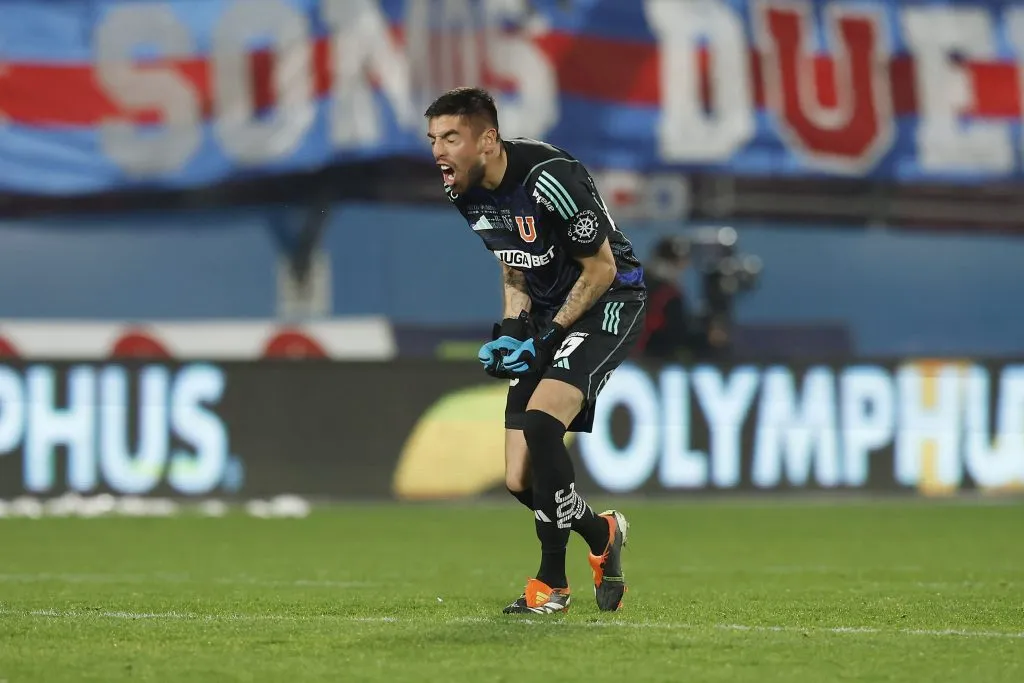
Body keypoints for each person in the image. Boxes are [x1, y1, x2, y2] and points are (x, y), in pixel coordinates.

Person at [425, 87, 647, 615]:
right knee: (519, 478)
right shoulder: (465, 190)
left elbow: (601, 270)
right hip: (549, 313)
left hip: (609, 300)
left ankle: (551, 584)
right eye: (432, 138)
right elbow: (513, 260)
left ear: (488, 140)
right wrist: (512, 328)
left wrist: (545, 339)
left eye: (451, 137)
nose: (438, 151)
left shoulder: (550, 179)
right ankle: (601, 531)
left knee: (543, 423)